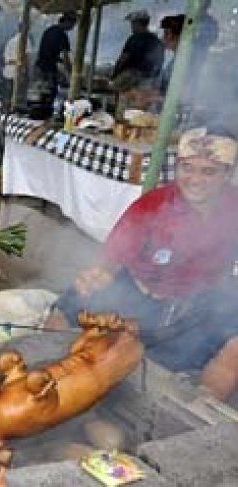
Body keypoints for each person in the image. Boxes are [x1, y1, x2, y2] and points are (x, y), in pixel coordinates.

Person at [45, 127, 238, 401]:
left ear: (228, 175)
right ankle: (56, 389)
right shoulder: (153, 205)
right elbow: (112, 260)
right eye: (187, 168)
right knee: (64, 311)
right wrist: (98, 275)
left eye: (209, 171)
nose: (195, 179)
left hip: (198, 304)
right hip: (140, 295)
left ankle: (196, 414)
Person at [111, 10, 164, 92]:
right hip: (151, 82)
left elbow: (124, 58)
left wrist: (114, 75)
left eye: (133, 23)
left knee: (113, 89)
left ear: (137, 23)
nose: (131, 26)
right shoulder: (156, 41)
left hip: (132, 80)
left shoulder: (135, 38)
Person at [34, 11, 78, 103]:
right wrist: (72, 74)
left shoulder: (49, 31)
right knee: (51, 92)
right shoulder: (62, 36)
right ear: (67, 22)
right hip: (49, 69)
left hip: (39, 67)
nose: (73, 27)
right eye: (73, 24)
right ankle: (46, 112)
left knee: (42, 93)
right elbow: (66, 58)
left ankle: (41, 110)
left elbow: (49, 51)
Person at [2, 25, 34, 109]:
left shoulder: (10, 41)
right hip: (19, 73)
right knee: (19, 99)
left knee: (8, 98)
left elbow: (6, 59)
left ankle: (7, 115)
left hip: (8, 73)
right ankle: (16, 114)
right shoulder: (25, 40)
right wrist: (27, 72)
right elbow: (27, 58)